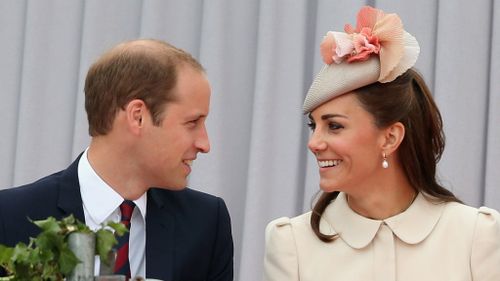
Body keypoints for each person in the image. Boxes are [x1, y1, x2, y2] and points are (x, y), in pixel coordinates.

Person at [263, 6, 500, 281]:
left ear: (390, 137)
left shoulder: (476, 237)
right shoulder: (292, 245)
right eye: (314, 126)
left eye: (334, 126)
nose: (314, 143)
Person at [0, 39, 233, 281]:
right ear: (138, 117)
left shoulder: (206, 224)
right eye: (192, 123)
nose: (205, 144)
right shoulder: (9, 218)